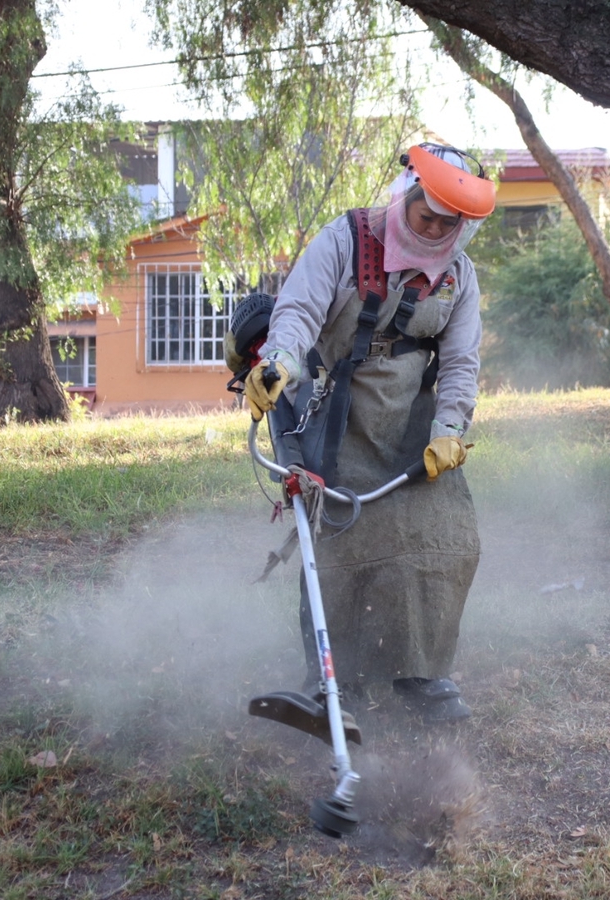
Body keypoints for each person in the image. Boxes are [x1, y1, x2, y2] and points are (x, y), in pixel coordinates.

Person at [245, 144, 494, 724]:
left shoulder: (459, 276)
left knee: (442, 531)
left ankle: (420, 672)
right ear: (404, 195)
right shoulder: (345, 239)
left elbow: (460, 362)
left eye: (447, 221)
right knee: (338, 535)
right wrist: (279, 361)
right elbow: (299, 311)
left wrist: (450, 427)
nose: (433, 228)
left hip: (409, 421)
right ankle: (337, 681)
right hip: (333, 409)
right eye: (424, 213)